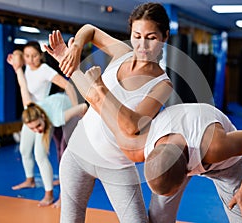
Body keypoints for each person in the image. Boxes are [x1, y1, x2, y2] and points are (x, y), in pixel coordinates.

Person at [72, 65, 242, 223]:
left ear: (185, 175)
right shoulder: (138, 147)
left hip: (224, 163)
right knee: (158, 218)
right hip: (178, 140)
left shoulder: (216, 147)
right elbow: (108, 114)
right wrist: (97, 87)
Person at [45, 2, 172, 222]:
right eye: (136, 35)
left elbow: (131, 125)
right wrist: (72, 54)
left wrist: (101, 89)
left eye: (151, 37)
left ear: (164, 37)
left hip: (117, 165)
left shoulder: (162, 85)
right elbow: (90, 30)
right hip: (78, 154)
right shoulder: (122, 53)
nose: (142, 45)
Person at [7, 43, 78, 207]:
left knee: (40, 154)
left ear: (41, 55)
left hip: (44, 116)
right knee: (24, 149)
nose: (30, 60)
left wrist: (75, 108)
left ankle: (49, 194)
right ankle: (30, 180)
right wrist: (17, 58)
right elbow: (17, 54)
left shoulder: (44, 69)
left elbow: (67, 85)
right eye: (27, 56)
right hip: (29, 113)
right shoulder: (24, 67)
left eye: (34, 56)